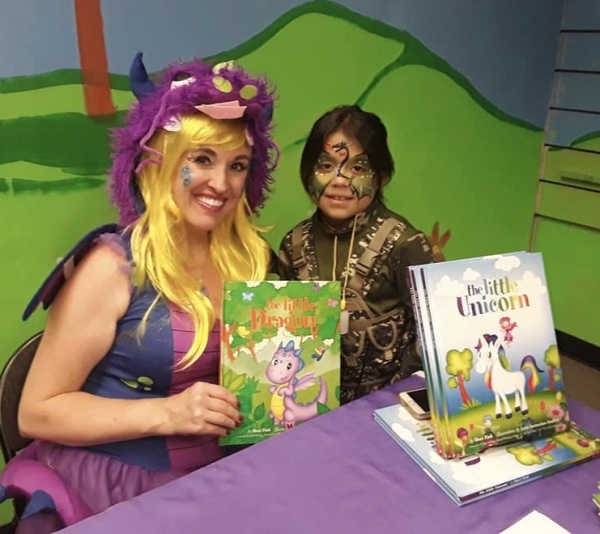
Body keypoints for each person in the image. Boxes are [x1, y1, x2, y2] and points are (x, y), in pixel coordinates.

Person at [2, 54, 278, 532]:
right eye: (201, 159)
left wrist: (305, 345)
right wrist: (168, 413)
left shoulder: (248, 261)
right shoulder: (111, 265)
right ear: (161, 162)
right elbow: (37, 413)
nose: (220, 183)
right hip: (110, 489)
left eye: (237, 165)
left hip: (216, 479)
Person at [278, 105, 434, 405]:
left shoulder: (404, 244)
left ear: (381, 176)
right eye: (326, 166)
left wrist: (396, 397)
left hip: (387, 410)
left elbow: (433, 335)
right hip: (309, 406)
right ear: (308, 173)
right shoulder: (293, 244)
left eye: (358, 168)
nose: (340, 180)